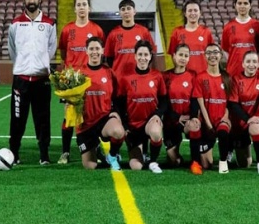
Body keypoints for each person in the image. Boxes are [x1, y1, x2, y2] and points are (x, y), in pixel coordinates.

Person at [8, 0, 57, 165]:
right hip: (20, 80)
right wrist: (22, 65)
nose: (31, 1)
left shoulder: (50, 24)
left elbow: (51, 49)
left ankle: (44, 155)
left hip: (41, 80)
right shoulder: (15, 24)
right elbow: (12, 50)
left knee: (43, 119)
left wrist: (40, 64)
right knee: (17, 118)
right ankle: (14, 153)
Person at [56, 0, 105, 165]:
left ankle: (95, 148)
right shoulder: (68, 30)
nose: (82, 8)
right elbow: (63, 53)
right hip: (72, 81)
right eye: (79, 5)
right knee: (69, 115)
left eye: (85, 4)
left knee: (92, 115)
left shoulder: (96, 29)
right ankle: (65, 152)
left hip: (90, 80)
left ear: (89, 8)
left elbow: (99, 52)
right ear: (75, 8)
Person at [116, 40, 167, 174]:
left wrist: (157, 114)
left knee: (156, 132)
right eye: (140, 54)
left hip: (150, 122)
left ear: (150, 56)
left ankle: (153, 161)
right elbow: (120, 104)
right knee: (136, 166)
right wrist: (125, 125)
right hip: (134, 126)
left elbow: (164, 100)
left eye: (146, 55)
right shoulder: (126, 78)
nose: (143, 58)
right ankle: (141, 153)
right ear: (135, 56)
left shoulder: (157, 76)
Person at [77, 37, 125, 171]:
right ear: (86, 51)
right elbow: (71, 100)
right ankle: (96, 148)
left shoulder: (109, 72)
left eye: (97, 48)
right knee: (90, 166)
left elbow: (117, 97)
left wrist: (117, 114)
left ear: (102, 50)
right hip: (85, 125)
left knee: (118, 131)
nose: (94, 52)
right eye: (91, 49)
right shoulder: (78, 74)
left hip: (103, 120)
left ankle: (112, 155)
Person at [227, 51, 259, 175]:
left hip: (256, 121)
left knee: (256, 128)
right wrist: (247, 119)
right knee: (244, 164)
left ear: (258, 64)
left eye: (254, 61)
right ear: (242, 64)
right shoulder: (236, 79)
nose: (251, 64)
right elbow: (233, 104)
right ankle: (239, 146)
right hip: (240, 122)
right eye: (248, 61)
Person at [162, 44, 203, 175]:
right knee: (174, 162)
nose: (183, 58)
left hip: (186, 120)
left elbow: (195, 100)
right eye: (180, 55)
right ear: (174, 56)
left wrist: (192, 117)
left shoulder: (193, 76)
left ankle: (195, 162)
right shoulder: (166, 76)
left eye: (186, 56)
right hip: (170, 121)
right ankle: (175, 149)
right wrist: (176, 117)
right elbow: (163, 102)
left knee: (194, 126)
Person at [192, 43, 232, 173]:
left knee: (223, 132)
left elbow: (230, 103)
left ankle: (223, 161)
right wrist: (209, 125)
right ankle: (198, 159)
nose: (212, 55)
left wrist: (224, 118)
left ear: (220, 55)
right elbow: (201, 104)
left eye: (215, 52)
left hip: (222, 119)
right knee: (207, 164)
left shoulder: (227, 78)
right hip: (206, 122)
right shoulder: (200, 77)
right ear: (205, 56)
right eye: (209, 53)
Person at [105, 0, 156, 78]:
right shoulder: (113, 33)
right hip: (119, 78)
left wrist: (143, 69)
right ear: (120, 13)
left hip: (139, 77)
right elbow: (109, 58)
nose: (126, 12)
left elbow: (151, 53)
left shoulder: (144, 31)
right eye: (123, 9)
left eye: (129, 8)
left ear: (134, 11)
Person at [221, 0, 259, 76]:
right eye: (239, 3)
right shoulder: (228, 27)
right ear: (235, 5)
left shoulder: (257, 26)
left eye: (245, 3)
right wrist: (234, 60)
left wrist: (254, 63)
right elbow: (225, 50)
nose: (242, 6)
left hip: (253, 73)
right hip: (233, 72)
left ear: (250, 6)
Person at [168, 0, 215, 74]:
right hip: (184, 76)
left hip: (203, 75)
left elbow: (212, 54)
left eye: (195, 10)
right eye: (190, 10)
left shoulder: (206, 32)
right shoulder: (177, 32)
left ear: (200, 13)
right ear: (185, 13)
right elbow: (173, 55)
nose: (193, 13)